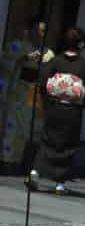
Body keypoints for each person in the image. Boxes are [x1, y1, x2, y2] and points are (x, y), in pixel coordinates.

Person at [29, 26, 85, 194]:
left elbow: (43, 81)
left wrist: (47, 101)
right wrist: (84, 100)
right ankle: (60, 183)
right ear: (82, 44)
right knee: (68, 144)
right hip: (72, 110)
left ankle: (36, 171)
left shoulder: (55, 62)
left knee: (47, 139)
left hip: (54, 107)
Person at [0, 20, 50, 172]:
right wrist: (24, 58)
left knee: (27, 131)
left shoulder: (47, 52)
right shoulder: (16, 46)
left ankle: (20, 163)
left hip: (33, 97)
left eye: (44, 31)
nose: (41, 34)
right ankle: (6, 161)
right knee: (10, 129)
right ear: (30, 30)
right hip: (15, 94)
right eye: (39, 30)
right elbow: (6, 64)